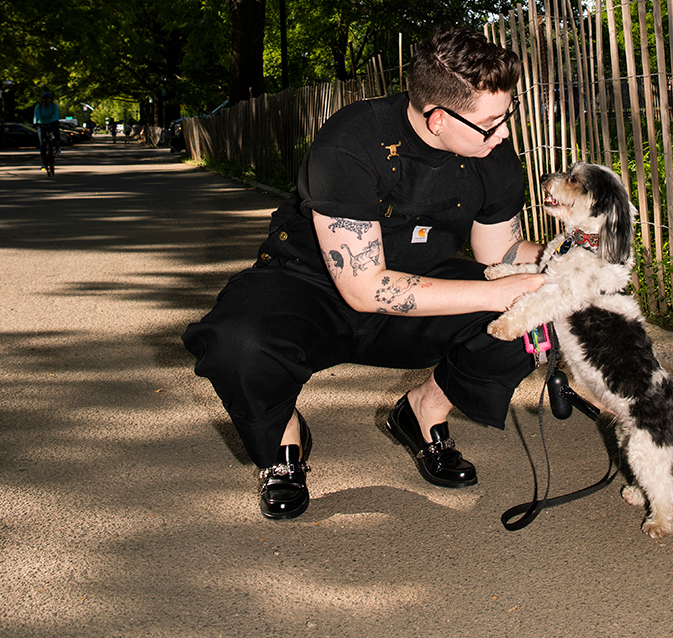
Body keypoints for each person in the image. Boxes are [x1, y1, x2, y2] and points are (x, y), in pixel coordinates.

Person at [183, 26, 546, 521]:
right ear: (438, 118)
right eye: (490, 123)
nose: (502, 133)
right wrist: (498, 294)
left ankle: (423, 412)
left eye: (507, 115)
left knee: (536, 314)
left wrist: (564, 260)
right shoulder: (351, 142)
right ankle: (284, 442)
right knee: (236, 342)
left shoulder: (491, 154)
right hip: (310, 285)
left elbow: (498, 251)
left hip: (422, 281)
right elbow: (364, 287)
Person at [33, 92, 60, 167]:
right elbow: (36, 115)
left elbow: (56, 114)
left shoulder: (53, 106)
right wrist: (35, 123)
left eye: (47, 98)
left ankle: (57, 146)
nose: (46, 100)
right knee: (42, 143)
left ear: (50, 99)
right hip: (42, 124)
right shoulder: (39, 107)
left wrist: (55, 120)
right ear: (42, 99)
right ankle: (43, 162)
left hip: (52, 123)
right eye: (44, 98)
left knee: (56, 131)